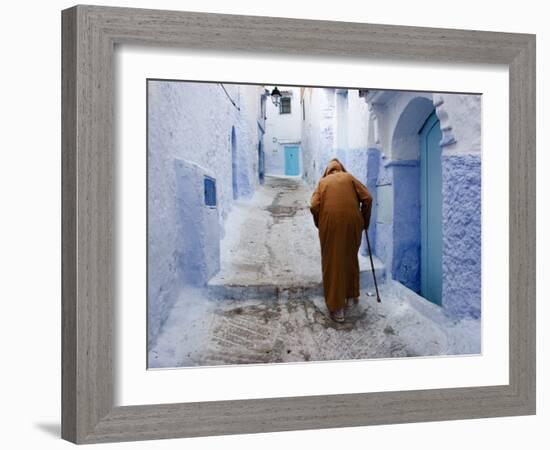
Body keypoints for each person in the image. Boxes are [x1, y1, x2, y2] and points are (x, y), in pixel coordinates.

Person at [309, 158, 373, 323]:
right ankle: (351, 296)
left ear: (328, 170)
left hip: (331, 224)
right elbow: (367, 198)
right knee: (350, 256)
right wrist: (364, 221)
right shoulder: (349, 177)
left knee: (333, 262)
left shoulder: (323, 182)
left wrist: (320, 222)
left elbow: (314, 205)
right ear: (340, 168)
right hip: (353, 223)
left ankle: (337, 308)